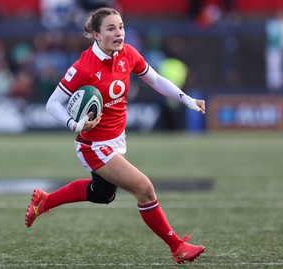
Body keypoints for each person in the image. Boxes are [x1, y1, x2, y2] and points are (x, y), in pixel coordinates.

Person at [24, 7, 206, 264]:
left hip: (117, 141)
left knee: (102, 194)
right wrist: (74, 125)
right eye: (111, 28)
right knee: (145, 189)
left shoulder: (128, 53)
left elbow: (155, 80)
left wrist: (188, 101)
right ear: (96, 35)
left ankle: (45, 201)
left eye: (120, 27)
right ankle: (177, 246)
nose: (119, 33)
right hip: (94, 146)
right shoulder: (83, 67)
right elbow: (53, 103)